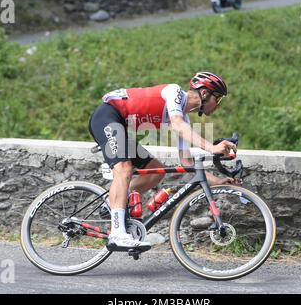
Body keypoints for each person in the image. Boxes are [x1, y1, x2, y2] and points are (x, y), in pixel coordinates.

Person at [88, 72, 237, 250]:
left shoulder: (184, 119)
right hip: (108, 116)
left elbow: (187, 162)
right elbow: (177, 125)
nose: (218, 105)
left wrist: (217, 181)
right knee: (124, 169)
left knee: (155, 171)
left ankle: (114, 204)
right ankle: (118, 233)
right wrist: (212, 147)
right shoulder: (175, 93)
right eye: (218, 98)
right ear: (205, 93)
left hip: (119, 124)